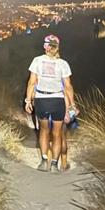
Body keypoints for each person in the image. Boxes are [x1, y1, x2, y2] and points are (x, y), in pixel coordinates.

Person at [24, 34, 78, 172]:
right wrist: (72, 104)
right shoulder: (63, 64)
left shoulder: (37, 61)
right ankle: (54, 164)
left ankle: (44, 161)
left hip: (42, 100)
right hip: (58, 101)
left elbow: (32, 82)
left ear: (45, 46)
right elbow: (68, 87)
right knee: (57, 133)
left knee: (43, 131)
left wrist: (28, 100)